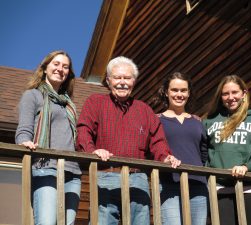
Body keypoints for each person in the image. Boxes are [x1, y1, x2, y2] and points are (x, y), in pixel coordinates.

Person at [76, 56, 181, 225]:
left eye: (127, 78)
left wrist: (165, 157)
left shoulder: (144, 110)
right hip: (106, 175)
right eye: (117, 77)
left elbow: (158, 141)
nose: (122, 82)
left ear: (134, 81)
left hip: (138, 178)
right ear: (109, 81)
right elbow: (83, 130)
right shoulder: (95, 103)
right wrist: (92, 151)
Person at [15, 50, 81, 225]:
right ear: (45, 68)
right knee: (46, 222)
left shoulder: (68, 104)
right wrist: (24, 142)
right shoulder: (33, 95)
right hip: (46, 167)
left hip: (72, 172)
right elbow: (23, 130)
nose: (60, 69)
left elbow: (77, 138)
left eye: (65, 66)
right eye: (56, 64)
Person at [203, 75, 251, 225]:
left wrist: (247, 167)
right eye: (225, 94)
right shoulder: (209, 121)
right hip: (218, 188)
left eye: (235, 92)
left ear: (244, 93)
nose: (230, 97)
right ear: (220, 96)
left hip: (249, 188)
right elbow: (202, 153)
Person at [153, 72, 208, 225]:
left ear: (189, 93)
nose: (179, 94)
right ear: (166, 92)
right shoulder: (157, 120)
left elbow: (204, 153)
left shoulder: (197, 122)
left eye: (183, 90)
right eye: (175, 90)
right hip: (168, 183)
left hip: (198, 184)